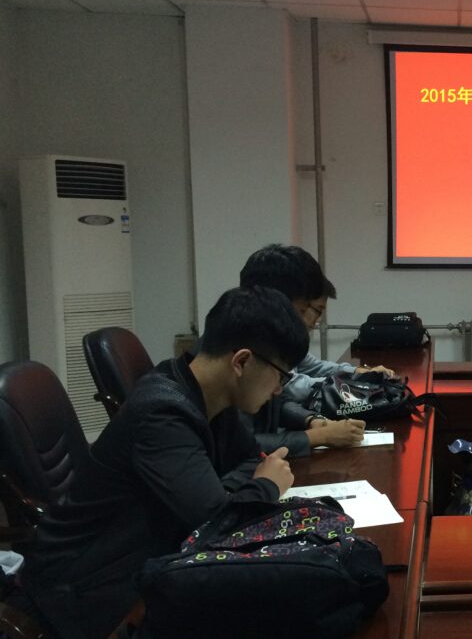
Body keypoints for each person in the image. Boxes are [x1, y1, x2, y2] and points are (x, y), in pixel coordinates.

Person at [17, 287, 306, 639]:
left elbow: (250, 460)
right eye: (281, 375)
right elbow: (217, 524)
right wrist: (265, 486)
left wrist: (230, 492)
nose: (279, 390)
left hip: (145, 561)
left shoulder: (209, 395)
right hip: (86, 594)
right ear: (241, 362)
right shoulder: (162, 412)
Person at [205, 244, 394, 456]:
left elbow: (275, 404)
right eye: (302, 309)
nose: (278, 388)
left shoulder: (265, 341)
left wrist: (311, 420)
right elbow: (239, 446)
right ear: (275, 300)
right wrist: (318, 437)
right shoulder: (239, 350)